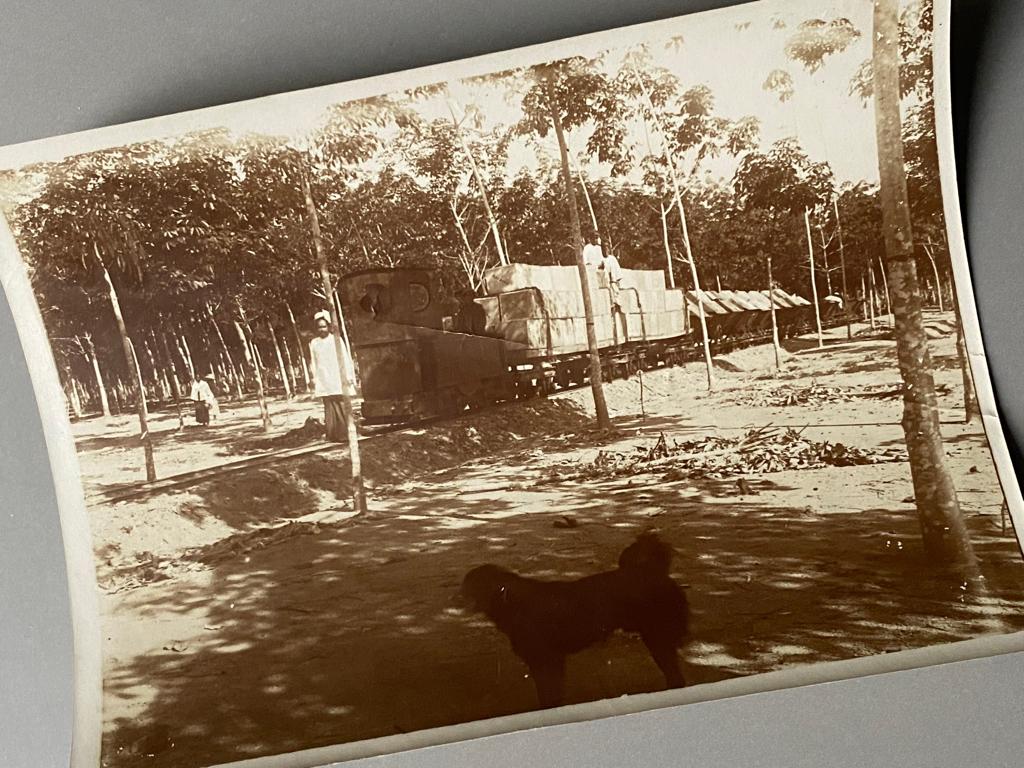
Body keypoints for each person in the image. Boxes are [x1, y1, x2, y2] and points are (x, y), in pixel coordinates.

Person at [309, 310, 358, 442]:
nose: (322, 329)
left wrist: (348, 375)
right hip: (324, 378)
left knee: (340, 404)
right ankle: (332, 434)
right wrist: (314, 377)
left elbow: (345, 358)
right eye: (319, 327)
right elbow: (313, 361)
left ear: (329, 327)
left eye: (324, 326)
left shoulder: (336, 339)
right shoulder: (314, 343)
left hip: (337, 376)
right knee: (329, 405)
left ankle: (345, 433)